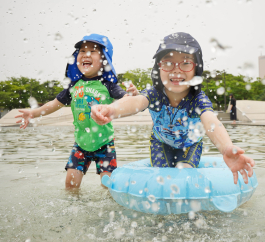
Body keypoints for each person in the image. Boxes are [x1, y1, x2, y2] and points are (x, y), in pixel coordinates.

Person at [91, 32, 254, 185]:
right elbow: (136, 102)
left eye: (185, 63)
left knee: (186, 177)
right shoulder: (154, 94)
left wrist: (226, 148)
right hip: (160, 143)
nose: (176, 69)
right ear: (158, 68)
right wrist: (110, 110)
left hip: (190, 145)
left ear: (196, 69)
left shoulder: (197, 99)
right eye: (168, 63)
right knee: (161, 179)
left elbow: (210, 121)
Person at [15, 34, 138, 189]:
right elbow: (55, 104)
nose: (86, 54)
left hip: (105, 144)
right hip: (80, 144)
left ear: (104, 60)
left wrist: (134, 95)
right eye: (82, 51)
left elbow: (127, 100)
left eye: (93, 51)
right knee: (70, 184)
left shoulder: (108, 85)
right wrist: (33, 113)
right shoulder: (73, 86)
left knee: (108, 185)